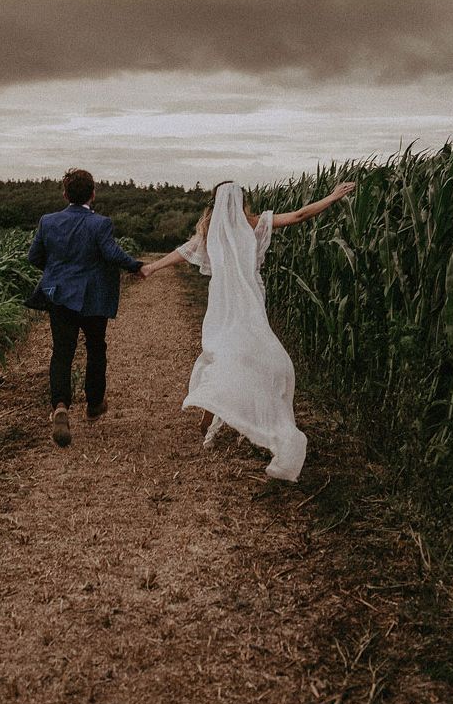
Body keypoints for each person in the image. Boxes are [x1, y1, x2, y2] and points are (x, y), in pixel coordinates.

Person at [140, 179, 355, 480]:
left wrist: (152, 267)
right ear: (244, 201)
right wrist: (331, 197)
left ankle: (210, 412)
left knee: (223, 351)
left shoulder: (210, 231)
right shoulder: (256, 223)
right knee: (254, 353)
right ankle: (224, 412)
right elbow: (299, 215)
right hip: (250, 299)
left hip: (222, 302)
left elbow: (181, 252)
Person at [27, 168, 145, 447]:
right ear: (93, 194)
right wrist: (136, 266)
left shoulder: (48, 221)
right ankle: (93, 404)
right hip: (92, 298)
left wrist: (58, 272)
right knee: (95, 347)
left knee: (62, 352)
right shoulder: (100, 223)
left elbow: (34, 257)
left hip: (59, 296)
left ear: (65, 194)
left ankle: (60, 406)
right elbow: (111, 252)